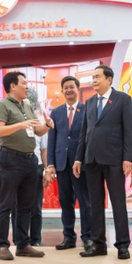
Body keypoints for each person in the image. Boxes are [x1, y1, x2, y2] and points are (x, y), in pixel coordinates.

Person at [73, 65, 132, 260]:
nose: (94, 80)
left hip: (114, 159)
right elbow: (85, 132)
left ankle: (123, 245)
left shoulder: (122, 99)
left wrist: (127, 158)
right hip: (91, 159)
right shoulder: (89, 102)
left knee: (118, 203)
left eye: (97, 76)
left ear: (109, 79)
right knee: (95, 204)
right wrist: (78, 158)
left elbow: (128, 131)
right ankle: (98, 244)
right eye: (93, 77)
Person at [0, 71, 51, 260]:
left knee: (26, 205)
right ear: (12, 86)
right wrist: (20, 125)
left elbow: (37, 132)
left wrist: (47, 125)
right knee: (5, 204)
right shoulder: (2, 105)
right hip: (10, 159)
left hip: (30, 160)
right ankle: (2, 245)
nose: (27, 87)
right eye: (24, 83)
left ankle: (23, 244)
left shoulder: (26, 104)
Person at [46, 76, 93, 252]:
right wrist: (50, 163)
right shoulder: (55, 112)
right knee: (65, 202)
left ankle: (87, 237)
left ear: (78, 88)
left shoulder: (87, 109)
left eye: (71, 87)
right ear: (62, 90)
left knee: (85, 201)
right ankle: (68, 237)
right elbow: (52, 140)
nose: (68, 90)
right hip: (61, 163)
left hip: (81, 164)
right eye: (65, 87)